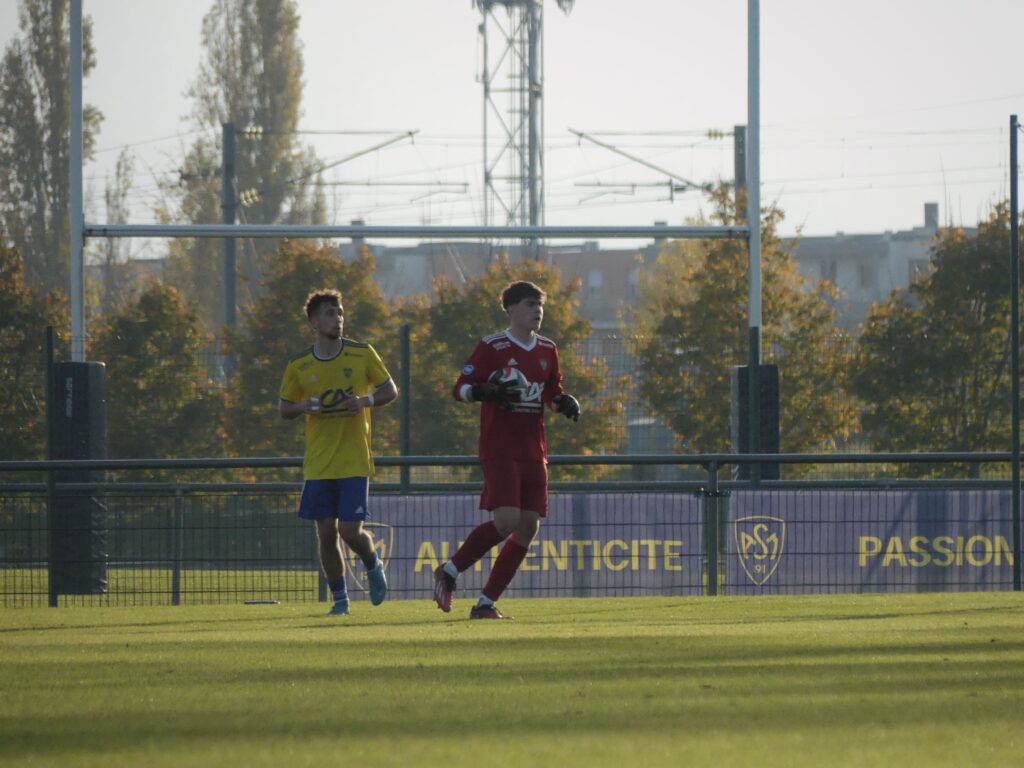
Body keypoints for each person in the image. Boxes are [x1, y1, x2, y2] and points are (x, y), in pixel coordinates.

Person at [434, 280, 580, 619]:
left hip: (534, 450)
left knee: (528, 526)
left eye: (540, 305)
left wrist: (563, 402)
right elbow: (460, 389)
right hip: (500, 447)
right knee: (508, 520)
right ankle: (450, 571)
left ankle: (485, 603)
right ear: (511, 309)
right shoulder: (493, 346)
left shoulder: (548, 349)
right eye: (530, 304)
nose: (537, 311)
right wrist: (483, 391)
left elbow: (551, 392)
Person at [279, 288, 398, 617]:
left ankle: (372, 563)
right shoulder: (300, 365)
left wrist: (365, 401)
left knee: (348, 531)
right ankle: (340, 600)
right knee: (326, 532)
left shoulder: (362, 353)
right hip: (319, 463)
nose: (338, 319)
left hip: (354, 460)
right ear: (314, 322)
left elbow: (390, 389)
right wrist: (303, 406)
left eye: (340, 313)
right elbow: (284, 408)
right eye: (330, 313)